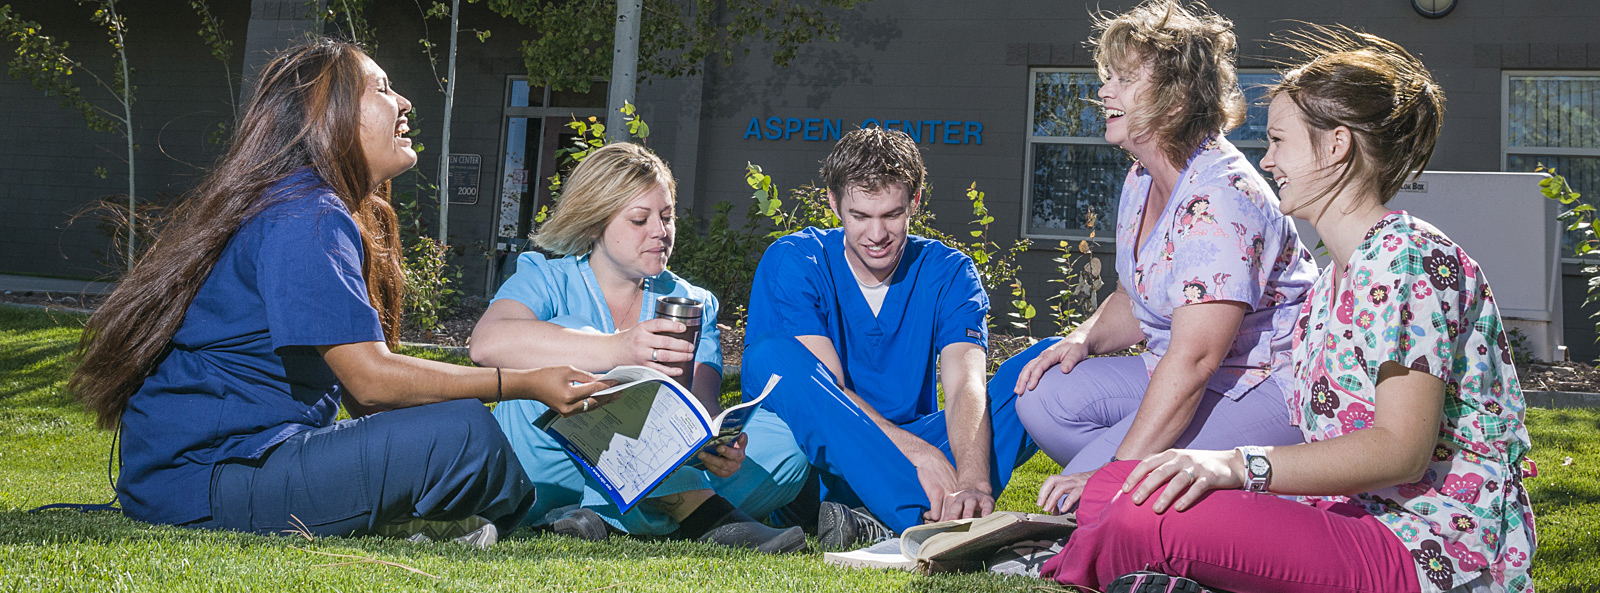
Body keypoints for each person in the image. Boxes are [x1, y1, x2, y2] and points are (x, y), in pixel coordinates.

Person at [1041, 26, 1537, 593]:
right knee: (1117, 488)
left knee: (1138, 510)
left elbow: (1401, 449)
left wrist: (1234, 465)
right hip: (1346, 515)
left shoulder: (1408, 262)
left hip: (1424, 546)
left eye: (1279, 141)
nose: (1267, 159)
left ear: (1336, 145)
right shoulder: (1333, 282)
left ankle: (1092, 565)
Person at [69, 39, 613, 547]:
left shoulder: (302, 204)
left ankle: (460, 523)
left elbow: (364, 396)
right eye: (380, 89)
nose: (403, 103)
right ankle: (516, 530)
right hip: (210, 480)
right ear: (326, 115)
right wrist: (523, 383)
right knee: (464, 433)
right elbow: (371, 382)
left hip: (210, 476)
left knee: (452, 428)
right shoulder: (306, 214)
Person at [1011, 0, 1318, 515]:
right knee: (1044, 397)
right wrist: (1082, 337)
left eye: (1124, 79)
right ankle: (1158, 472)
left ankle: (1193, 495)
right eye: (1108, 77)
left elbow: (1196, 359)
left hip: (1267, 386)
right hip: (1192, 371)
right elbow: (1138, 295)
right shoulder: (1142, 177)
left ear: (1175, 100)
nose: (1104, 91)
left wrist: (1111, 473)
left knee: (1095, 499)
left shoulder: (1220, 197)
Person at [470, 142, 810, 553]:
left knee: (787, 444)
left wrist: (718, 446)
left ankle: (595, 520)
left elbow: (704, 404)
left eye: (666, 217)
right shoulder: (546, 276)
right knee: (554, 358)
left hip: (656, 465)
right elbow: (487, 344)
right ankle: (697, 511)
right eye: (639, 219)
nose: (660, 231)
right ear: (596, 222)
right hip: (549, 464)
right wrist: (616, 349)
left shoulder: (690, 301)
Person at [741, 127, 1041, 546]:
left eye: (892, 215)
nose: (877, 234)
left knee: (1040, 367)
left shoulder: (950, 272)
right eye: (860, 216)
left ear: (915, 201)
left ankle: (944, 506)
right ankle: (920, 514)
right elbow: (830, 396)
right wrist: (918, 455)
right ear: (834, 204)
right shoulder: (796, 260)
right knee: (771, 356)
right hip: (827, 461)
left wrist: (973, 481)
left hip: (923, 443)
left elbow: (963, 387)